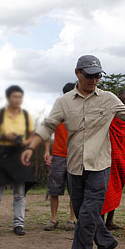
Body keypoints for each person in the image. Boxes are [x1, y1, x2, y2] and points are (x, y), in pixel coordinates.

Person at [21, 55, 125, 249]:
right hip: (74, 166)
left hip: (100, 165)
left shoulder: (109, 99)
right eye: (89, 75)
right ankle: (104, 241)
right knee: (87, 212)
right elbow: (48, 125)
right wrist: (30, 147)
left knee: (87, 213)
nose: (93, 80)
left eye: (97, 76)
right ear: (77, 73)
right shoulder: (64, 102)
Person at [0, 85, 36, 236]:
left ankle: (19, 224)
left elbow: (31, 136)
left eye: (20, 97)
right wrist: (5, 137)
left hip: (19, 155)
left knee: (19, 193)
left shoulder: (26, 115)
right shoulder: (0, 114)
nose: (18, 99)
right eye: (15, 96)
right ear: (9, 98)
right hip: (1, 155)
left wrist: (24, 142)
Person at [43, 83, 76, 231]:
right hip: (58, 155)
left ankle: (71, 219)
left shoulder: (79, 111)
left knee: (74, 189)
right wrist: (46, 152)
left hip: (75, 155)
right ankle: (53, 219)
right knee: (54, 189)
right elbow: (47, 130)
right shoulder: (57, 112)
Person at [101, 89, 125, 230]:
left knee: (118, 185)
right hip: (109, 152)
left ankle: (110, 221)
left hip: (123, 153)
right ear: (119, 96)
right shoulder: (111, 110)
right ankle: (100, 220)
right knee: (106, 187)